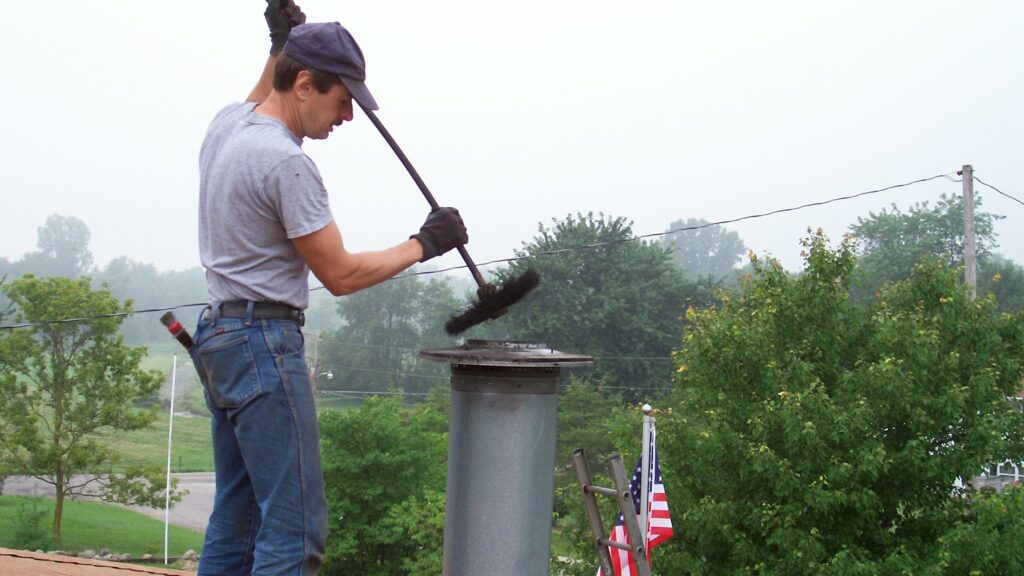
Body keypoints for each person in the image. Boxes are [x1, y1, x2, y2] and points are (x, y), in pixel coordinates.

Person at [190, 2, 469, 574]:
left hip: (219, 336)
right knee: (294, 530)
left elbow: (262, 89)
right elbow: (339, 276)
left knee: (237, 516)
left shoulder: (227, 128)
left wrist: (278, 42)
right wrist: (424, 243)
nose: (347, 118)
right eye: (343, 102)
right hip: (263, 345)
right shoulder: (286, 164)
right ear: (304, 85)